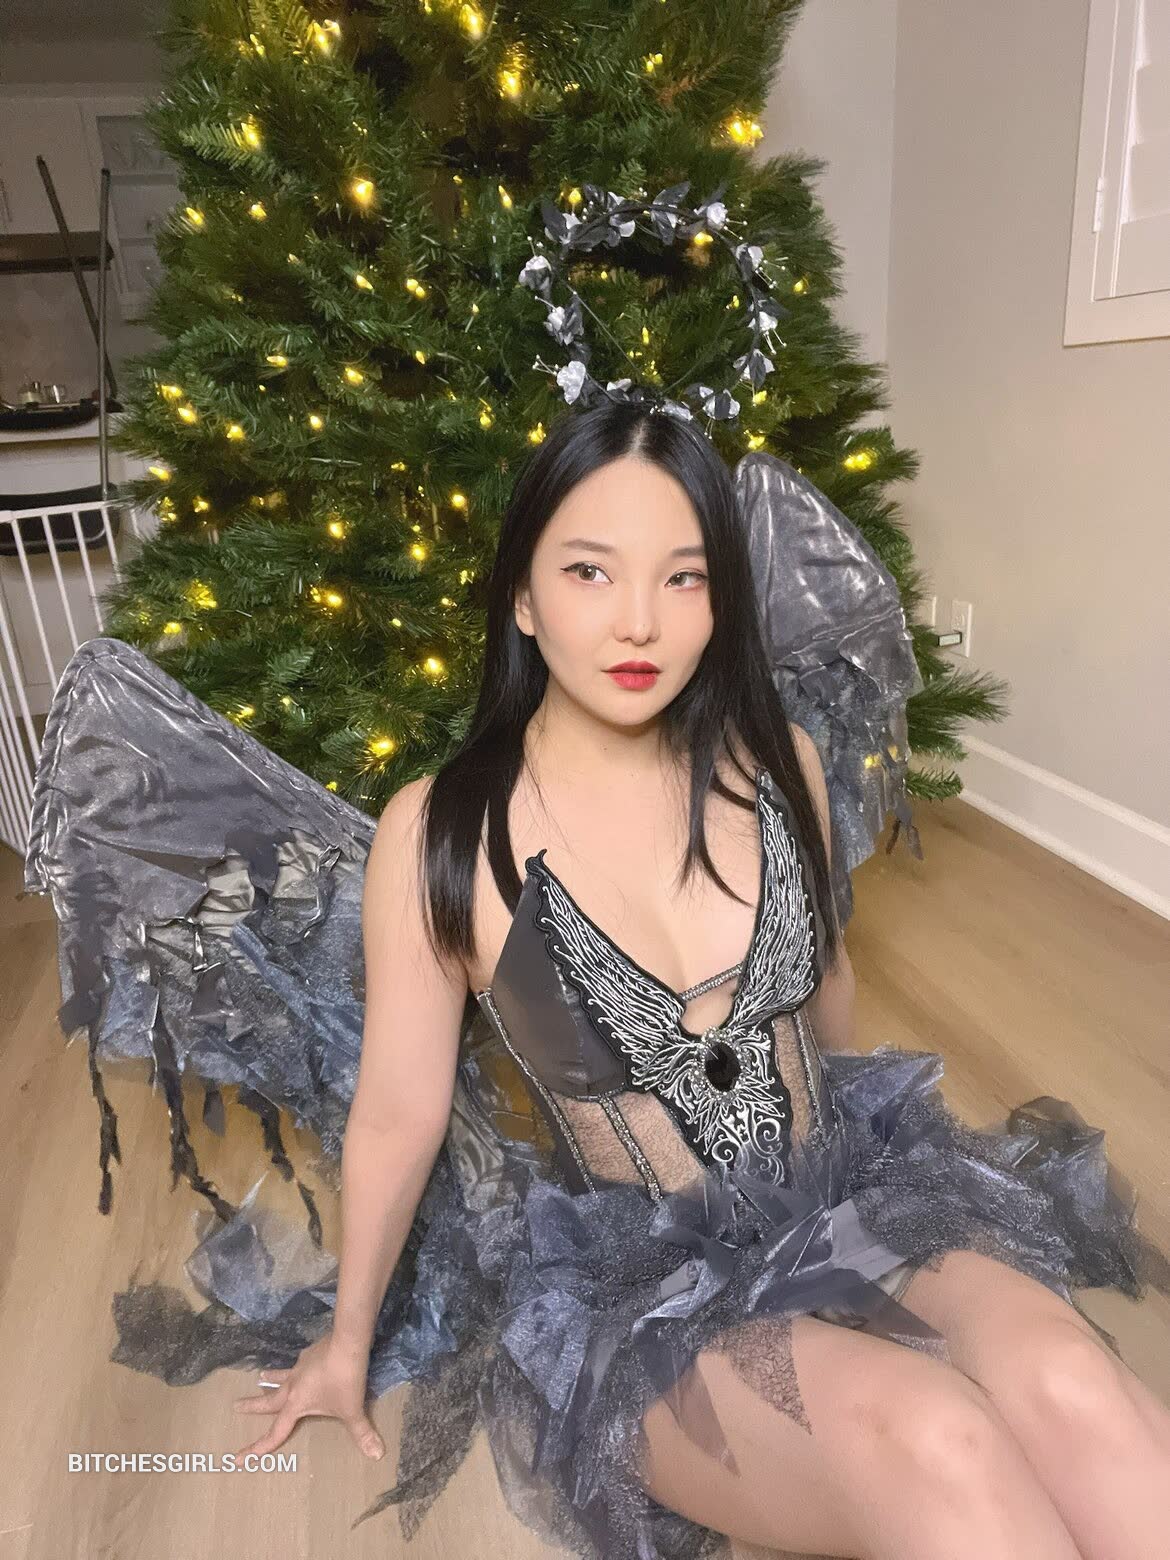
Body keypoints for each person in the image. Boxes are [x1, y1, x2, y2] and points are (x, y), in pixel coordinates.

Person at [25, 400, 1169, 1560]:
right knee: (944, 1439)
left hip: (840, 1197)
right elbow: (399, 1112)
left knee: (1067, 1375)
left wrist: (886, 1165)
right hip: (653, 1300)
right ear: (523, 597)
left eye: (684, 577)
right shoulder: (442, 833)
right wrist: (348, 1340)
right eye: (589, 571)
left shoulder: (784, 763)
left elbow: (828, 990)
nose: (639, 621)